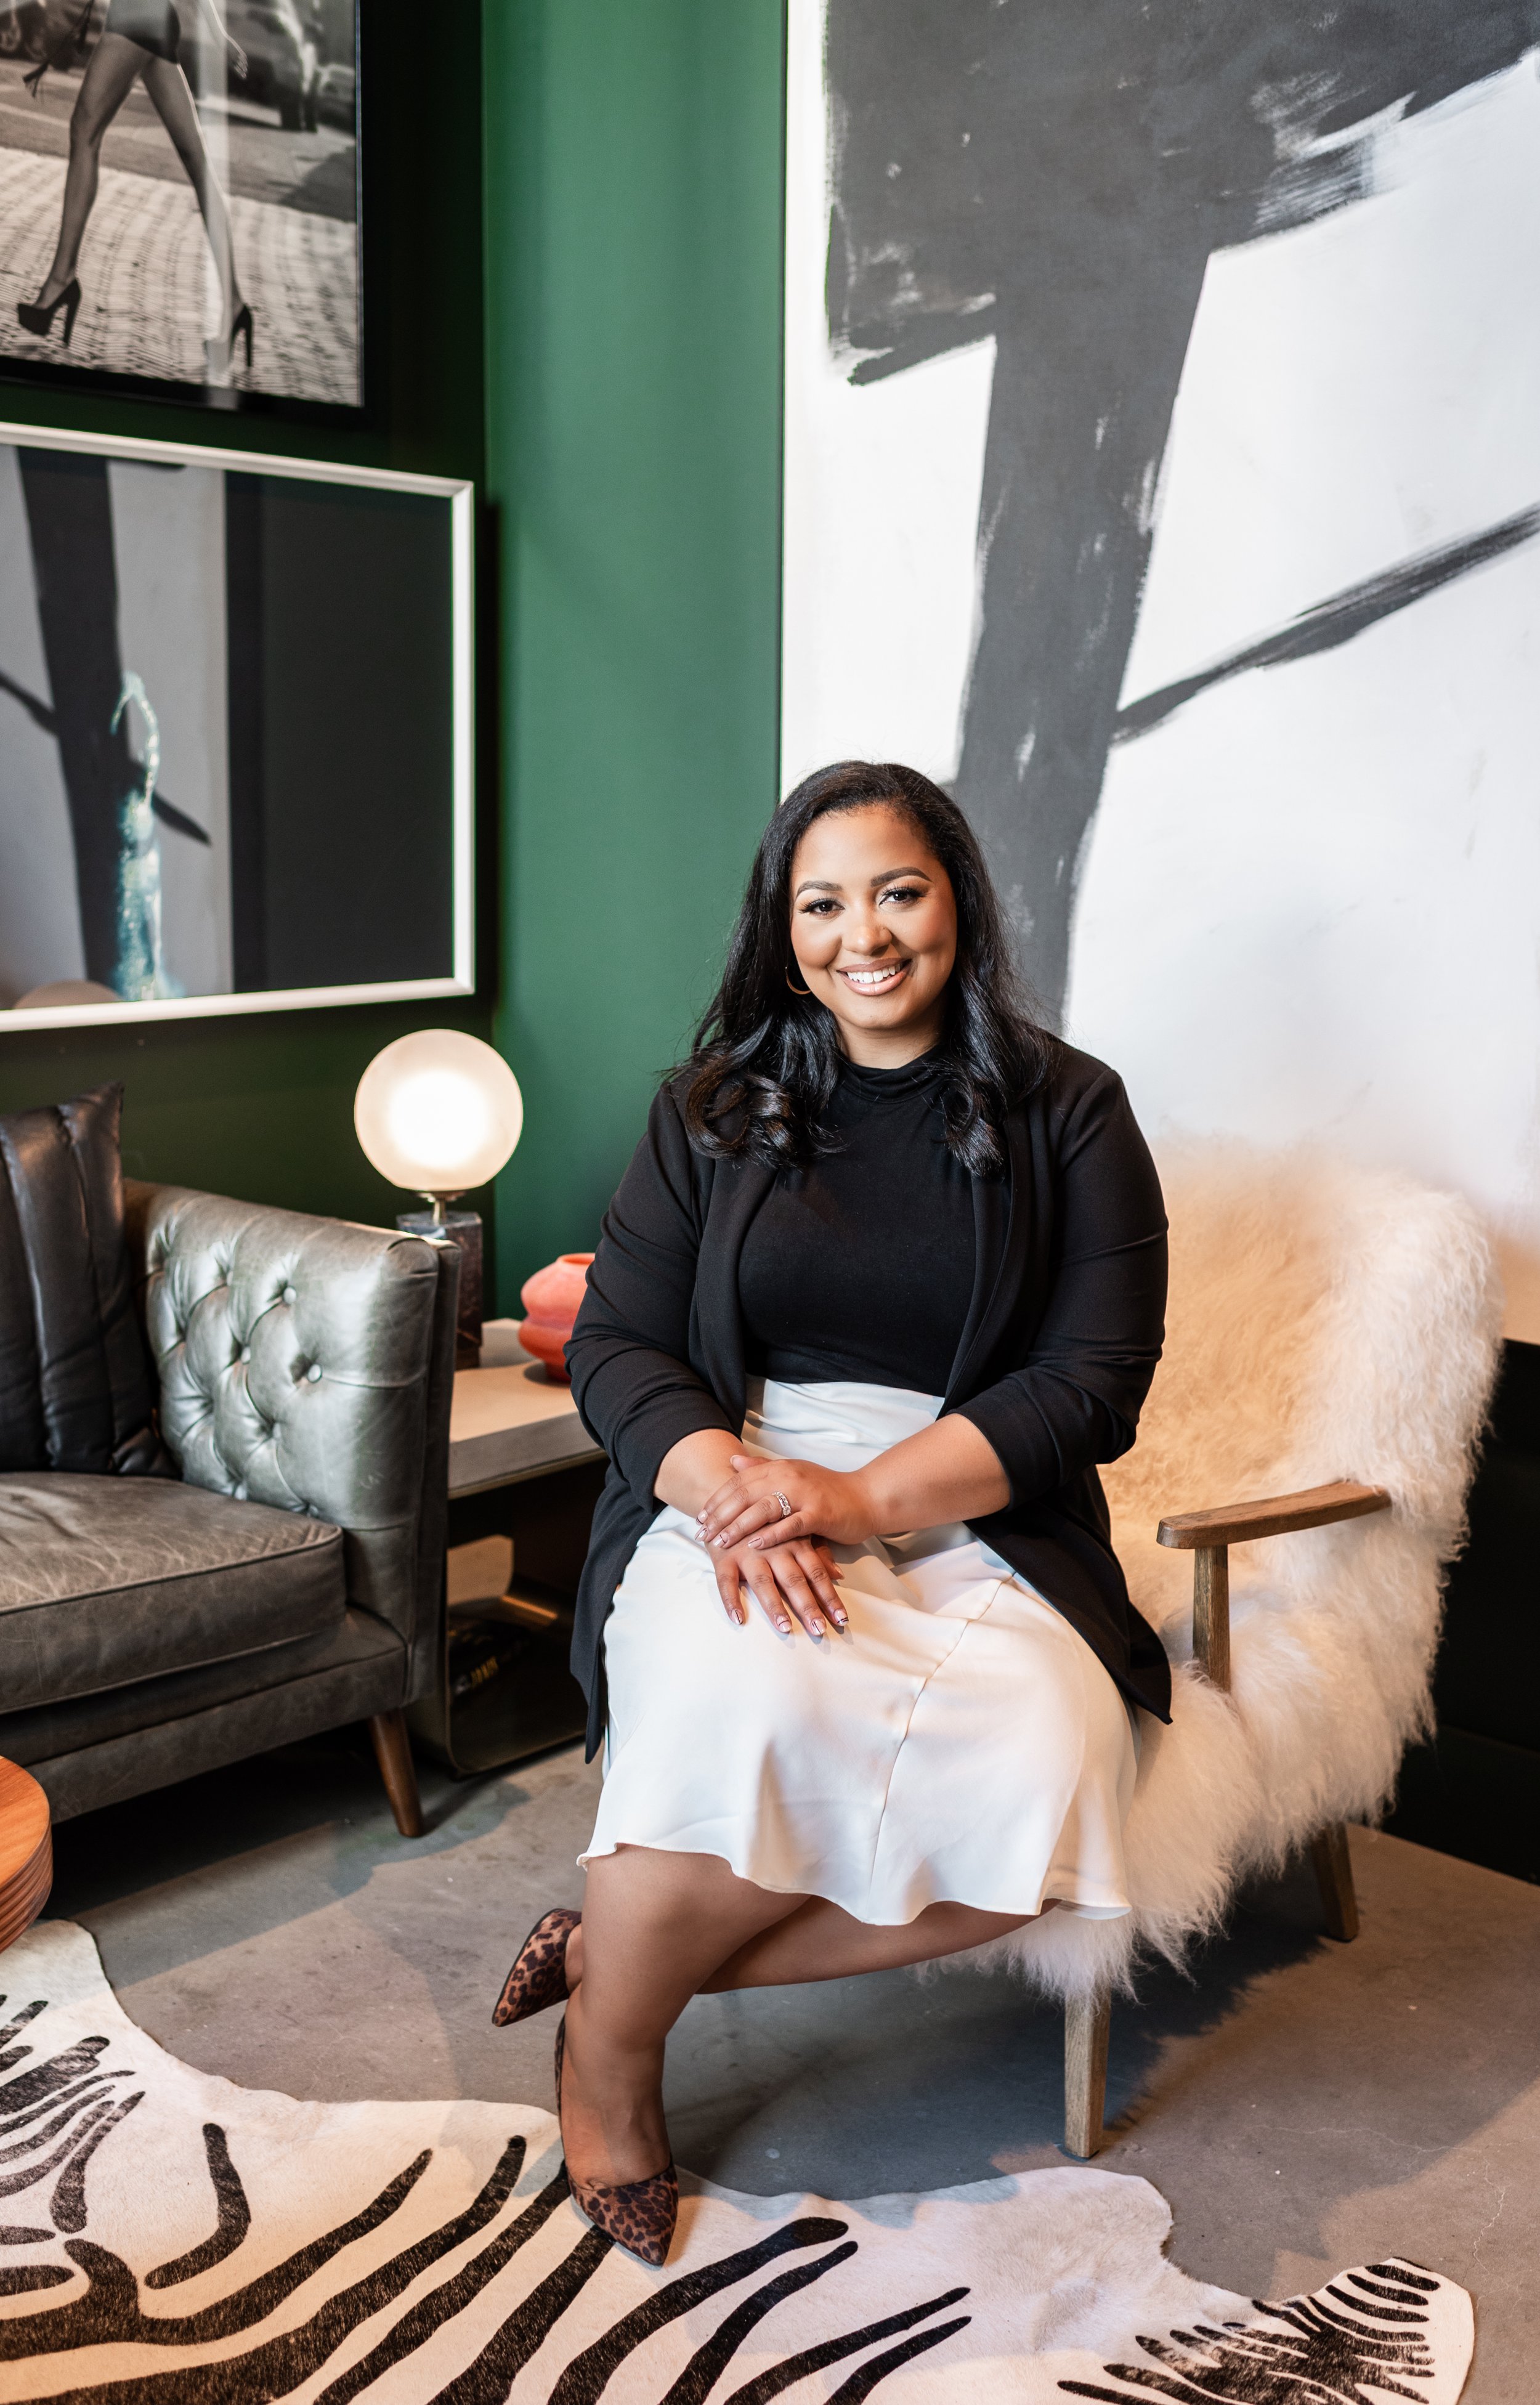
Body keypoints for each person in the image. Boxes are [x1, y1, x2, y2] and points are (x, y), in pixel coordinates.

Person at [492, 760, 1170, 2265]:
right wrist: (741, 1489)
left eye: (897, 890)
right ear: (781, 926)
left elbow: (1091, 1382)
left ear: (956, 905)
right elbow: (617, 1343)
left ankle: (613, 1973)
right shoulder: (712, 1104)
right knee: (741, 1691)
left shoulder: (1072, 1107)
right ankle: (614, 2069)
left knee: (1051, 1779)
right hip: (730, 1468)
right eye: (822, 901)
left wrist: (862, 1498)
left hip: (973, 1493)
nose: (861, 933)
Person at [18, 0, 253, 381]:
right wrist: (218, 35)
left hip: (137, 15)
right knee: (197, 164)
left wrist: (219, 35)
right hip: (152, 20)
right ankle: (236, 304)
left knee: (84, 131)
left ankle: (60, 281)